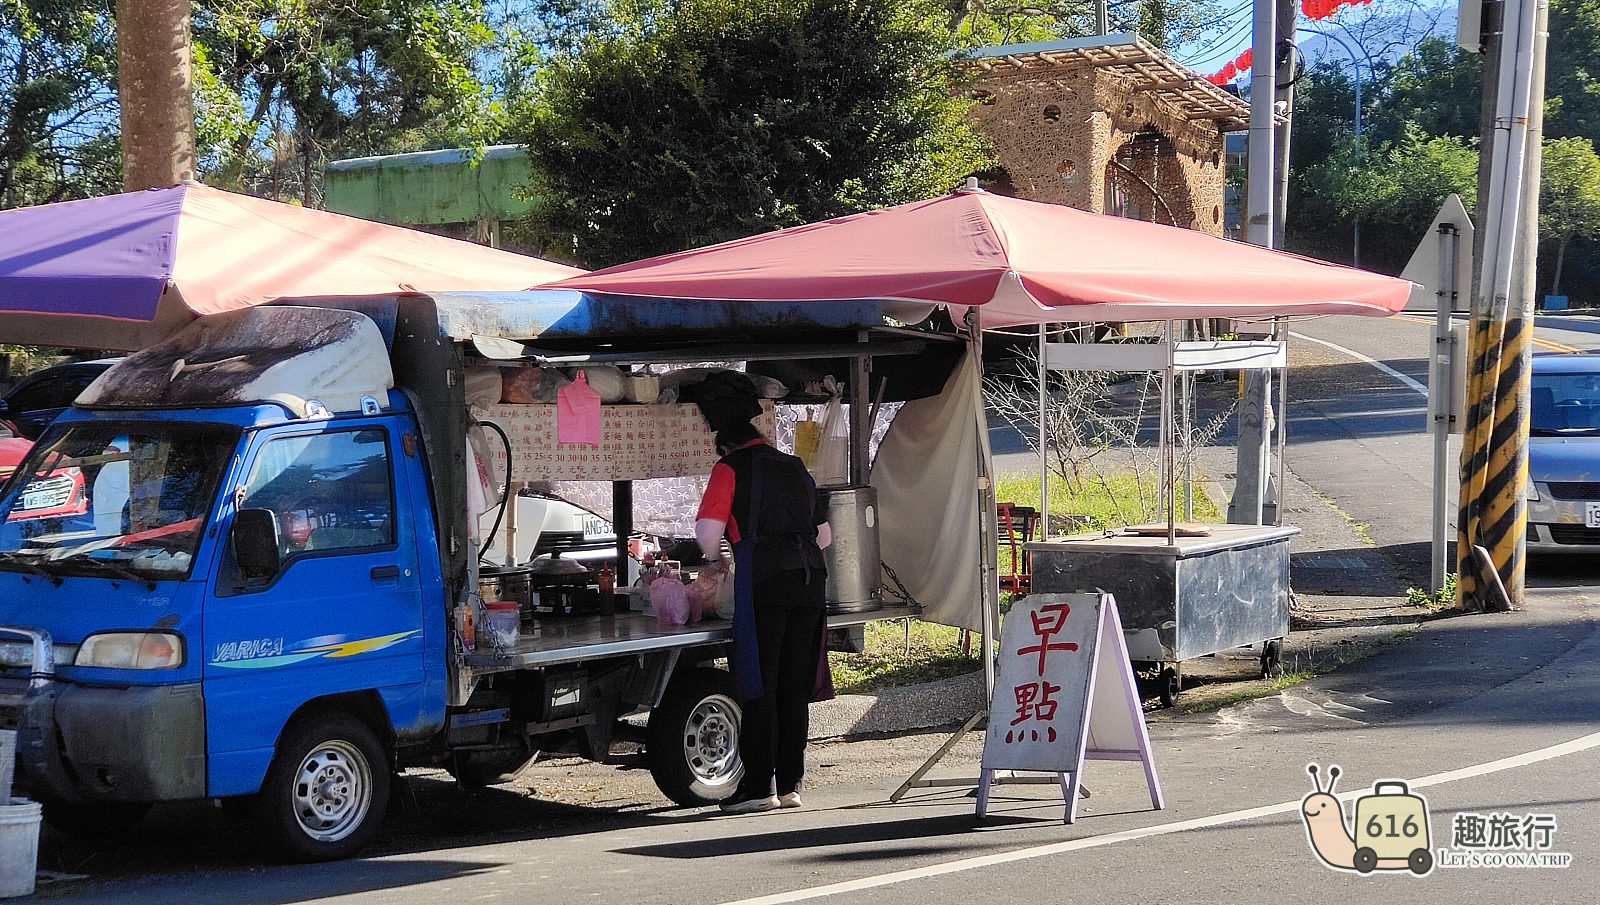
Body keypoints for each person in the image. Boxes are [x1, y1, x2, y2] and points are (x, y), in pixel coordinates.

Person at [695, 418, 833, 815]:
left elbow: (708, 533)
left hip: (765, 580)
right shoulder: (793, 465)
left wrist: (716, 560)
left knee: (759, 682)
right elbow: (824, 536)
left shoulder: (730, 468)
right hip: (810, 579)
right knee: (794, 684)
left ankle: (757, 787)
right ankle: (790, 784)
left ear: (725, 447)